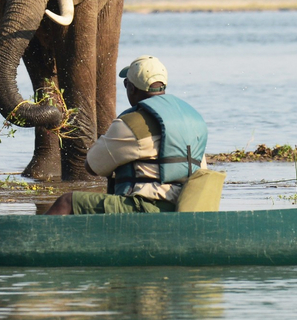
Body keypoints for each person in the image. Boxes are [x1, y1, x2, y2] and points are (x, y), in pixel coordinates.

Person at [42, 55, 208, 215]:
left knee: (67, 201)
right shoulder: (192, 120)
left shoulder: (131, 124)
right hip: (184, 207)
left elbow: (92, 166)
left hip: (145, 208)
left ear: (132, 88)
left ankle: (36, 241)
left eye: (126, 84)